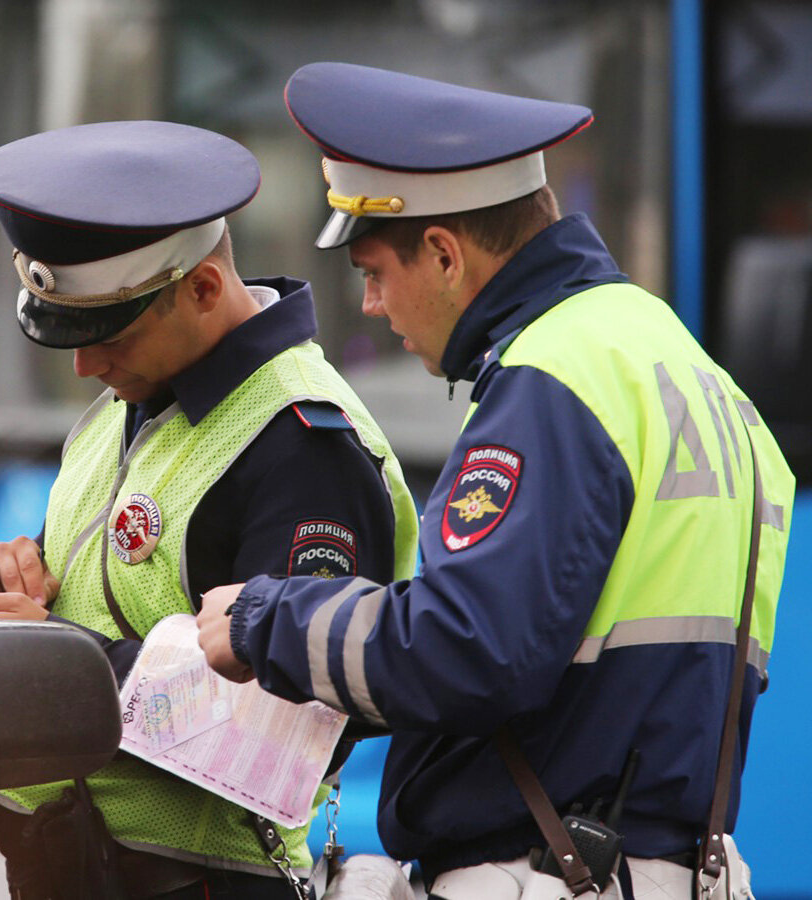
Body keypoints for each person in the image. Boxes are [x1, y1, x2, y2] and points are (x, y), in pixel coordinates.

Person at [196, 62, 796, 900]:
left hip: (550, 871)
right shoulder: (684, 365)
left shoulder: (556, 372)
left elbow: (466, 650)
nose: (371, 306)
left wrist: (264, 619)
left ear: (443, 254)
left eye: (373, 274)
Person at [0, 119, 418, 899]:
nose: (84, 364)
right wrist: (19, 579)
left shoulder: (304, 445)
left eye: (108, 332)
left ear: (204, 290)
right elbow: (114, 592)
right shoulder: (137, 396)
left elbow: (292, 718)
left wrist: (50, 660)